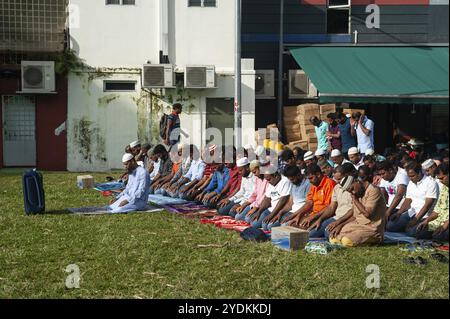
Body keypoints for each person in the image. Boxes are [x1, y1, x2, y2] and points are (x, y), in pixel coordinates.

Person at [386, 163, 439, 237]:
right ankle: (408, 226)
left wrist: (416, 220)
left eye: (413, 176)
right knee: (390, 226)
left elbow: (428, 204)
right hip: (411, 212)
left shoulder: (431, 183)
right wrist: (399, 213)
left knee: (412, 232)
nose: (410, 178)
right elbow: (408, 200)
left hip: (424, 215)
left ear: (419, 173)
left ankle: (413, 227)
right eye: (409, 176)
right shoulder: (411, 183)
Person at [329, 179, 386, 247]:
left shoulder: (373, 190)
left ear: (357, 181)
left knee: (346, 241)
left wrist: (355, 200)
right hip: (357, 224)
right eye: (349, 191)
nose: (353, 192)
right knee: (333, 237)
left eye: (352, 188)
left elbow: (367, 214)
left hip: (372, 227)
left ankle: (376, 240)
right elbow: (355, 214)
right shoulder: (357, 193)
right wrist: (340, 224)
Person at [283, 164, 336, 229]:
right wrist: (299, 215)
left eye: (311, 178)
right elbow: (309, 202)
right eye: (308, 179)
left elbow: (330, 207)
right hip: (313, 215)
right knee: (290, 225)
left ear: (318, 174)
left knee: (302, 231)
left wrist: (312, 217)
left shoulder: (330, 184)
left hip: (325, 216)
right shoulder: (314, 185)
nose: (310, 181)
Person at [309, 167, 354, 238]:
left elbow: (354, 211)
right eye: (336, 179)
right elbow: (331, 207)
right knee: (310, 233)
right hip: (336, 217)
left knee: (327, 233)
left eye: (340, 179)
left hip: (348, 218)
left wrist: (338, 222)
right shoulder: (337, 187)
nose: (338, 182)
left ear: (347, 176)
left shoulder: (354, 188)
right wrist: (320, 219)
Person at [262, 166, 311, 231]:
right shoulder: (293, 183)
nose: (291, 181)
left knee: (284, 226)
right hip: (291, 212)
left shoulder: (308, 184)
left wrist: (294, 215)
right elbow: (290, 203)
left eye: (293, 179)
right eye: (290, 179)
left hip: (302, 213)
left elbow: (308, 204)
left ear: (299, 175)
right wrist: (280, 212)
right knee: (268, 225)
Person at [415, 163, 449, 242]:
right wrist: (427, 220)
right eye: (439, 179)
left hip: (447, 222)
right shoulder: (444, 188)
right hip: (440, 220)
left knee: (438, 237)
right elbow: (437, 210)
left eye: (442, 178)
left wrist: (445, 225)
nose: (440, 181)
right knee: (418, 232)